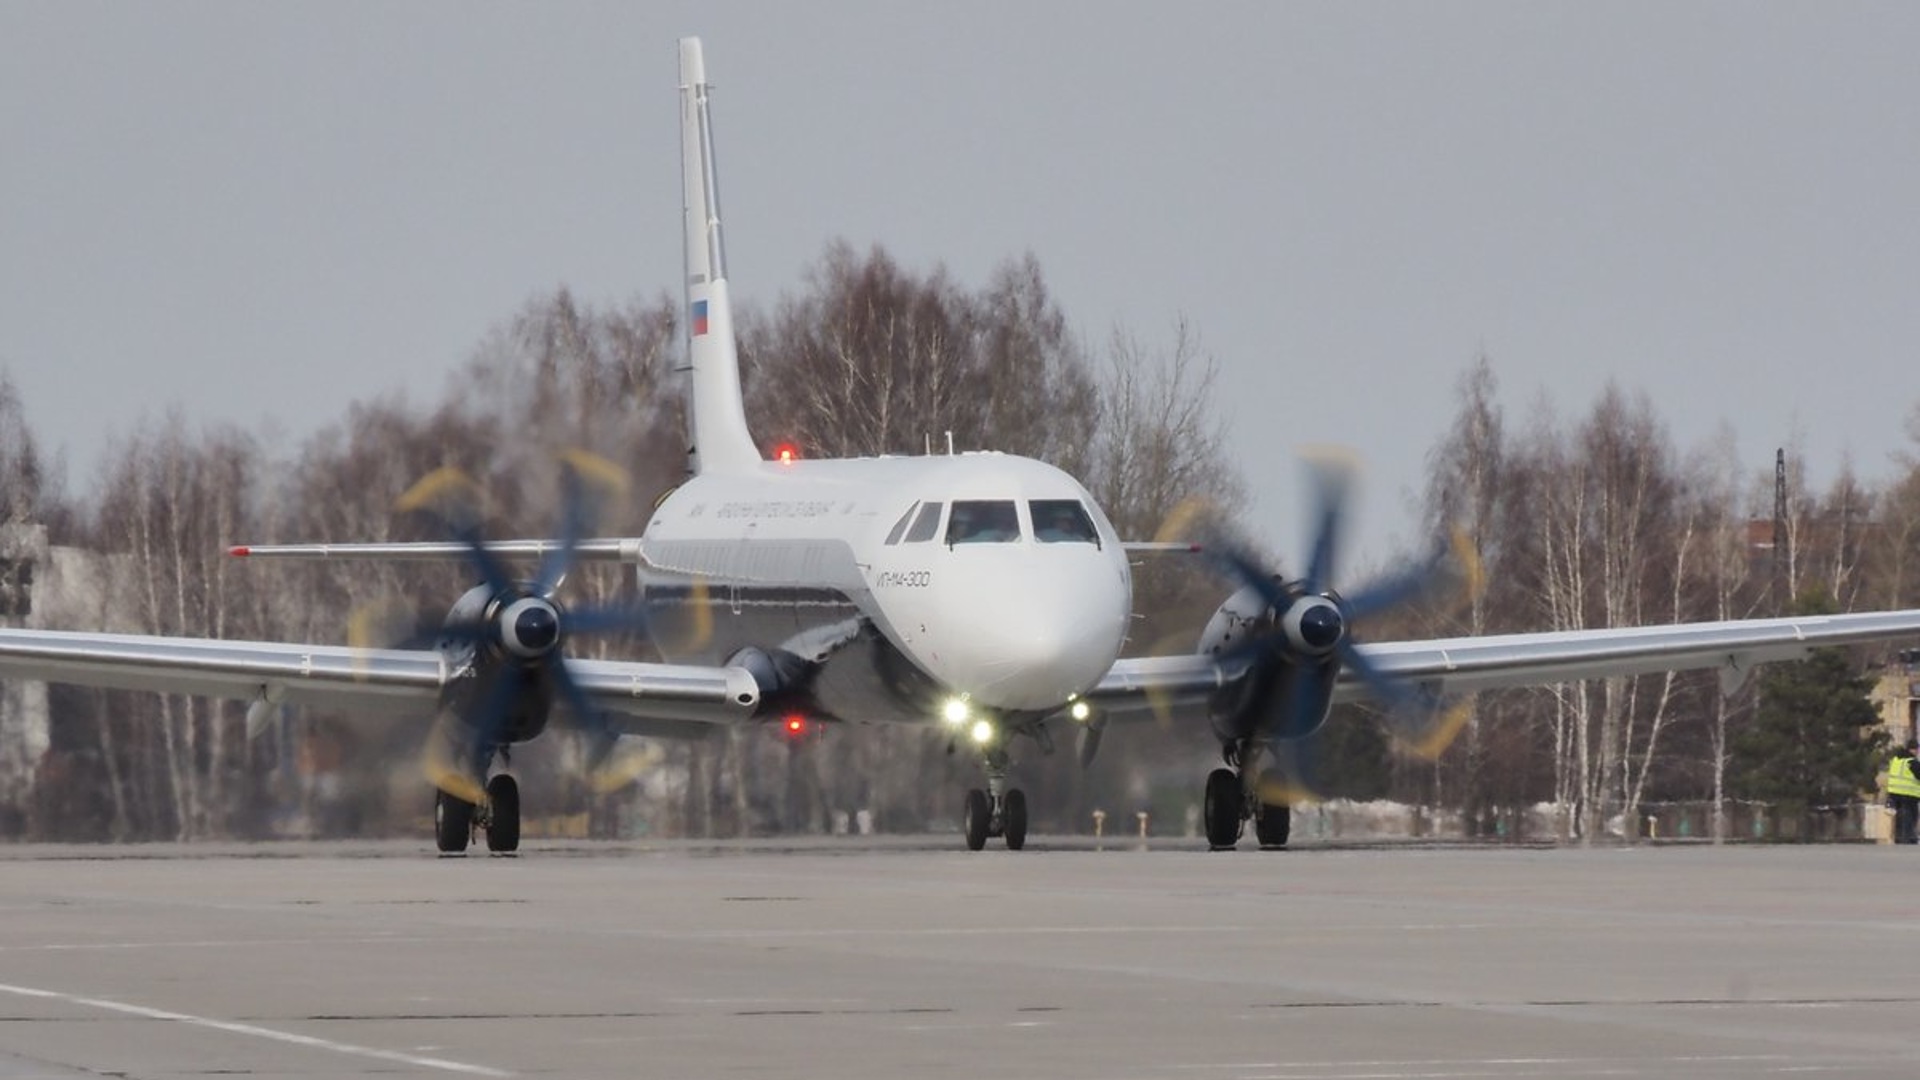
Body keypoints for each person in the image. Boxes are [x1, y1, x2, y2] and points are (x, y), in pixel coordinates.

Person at [1886, 741, 1920, 844]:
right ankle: (1908, 838)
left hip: (1894, 794)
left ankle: (1899, 837)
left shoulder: (1895, 760)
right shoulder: (1912, 762)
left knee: (1899, 816)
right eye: (1917, 750)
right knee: (1910, 815)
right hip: (1909, 794)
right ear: (1913, 749)